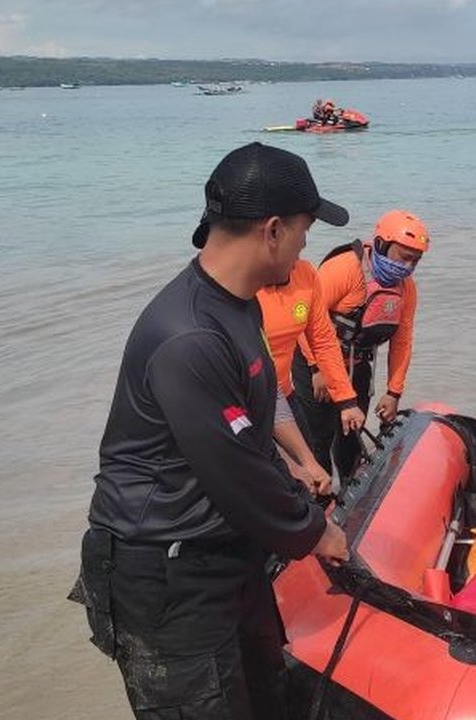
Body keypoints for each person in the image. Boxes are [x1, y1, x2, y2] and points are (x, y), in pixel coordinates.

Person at [70, 142, 351, 720]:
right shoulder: (190, 335)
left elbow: (255, 411)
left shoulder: (240, 305)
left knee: (268, 695)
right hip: (165, 571)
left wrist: (297, 466)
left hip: (224, 552)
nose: (305, 245)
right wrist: (314, 530)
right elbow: (235, 470)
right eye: (303, 230)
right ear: (272, 231)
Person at [292, 209, 429, 479]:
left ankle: (350, 494)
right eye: (404, 258)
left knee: (351, 439)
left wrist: (393, 392)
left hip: (358, 368)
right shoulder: (344, 269)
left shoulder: (406, 289)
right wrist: (315, 368)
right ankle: (317, 497)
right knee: (316, 438)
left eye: (415, 261)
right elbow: (304, 318)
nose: (408, 267)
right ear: (380, 244)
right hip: (316, 365)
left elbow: (402, 340)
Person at [258, 258, 366, 495]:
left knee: (313, 468)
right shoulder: (245, 285)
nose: (305, 242)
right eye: (300, 231)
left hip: (283, 396)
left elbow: (324, 339)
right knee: (280, 482)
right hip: (249, 404)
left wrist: (346, 400)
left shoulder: (305, 274)